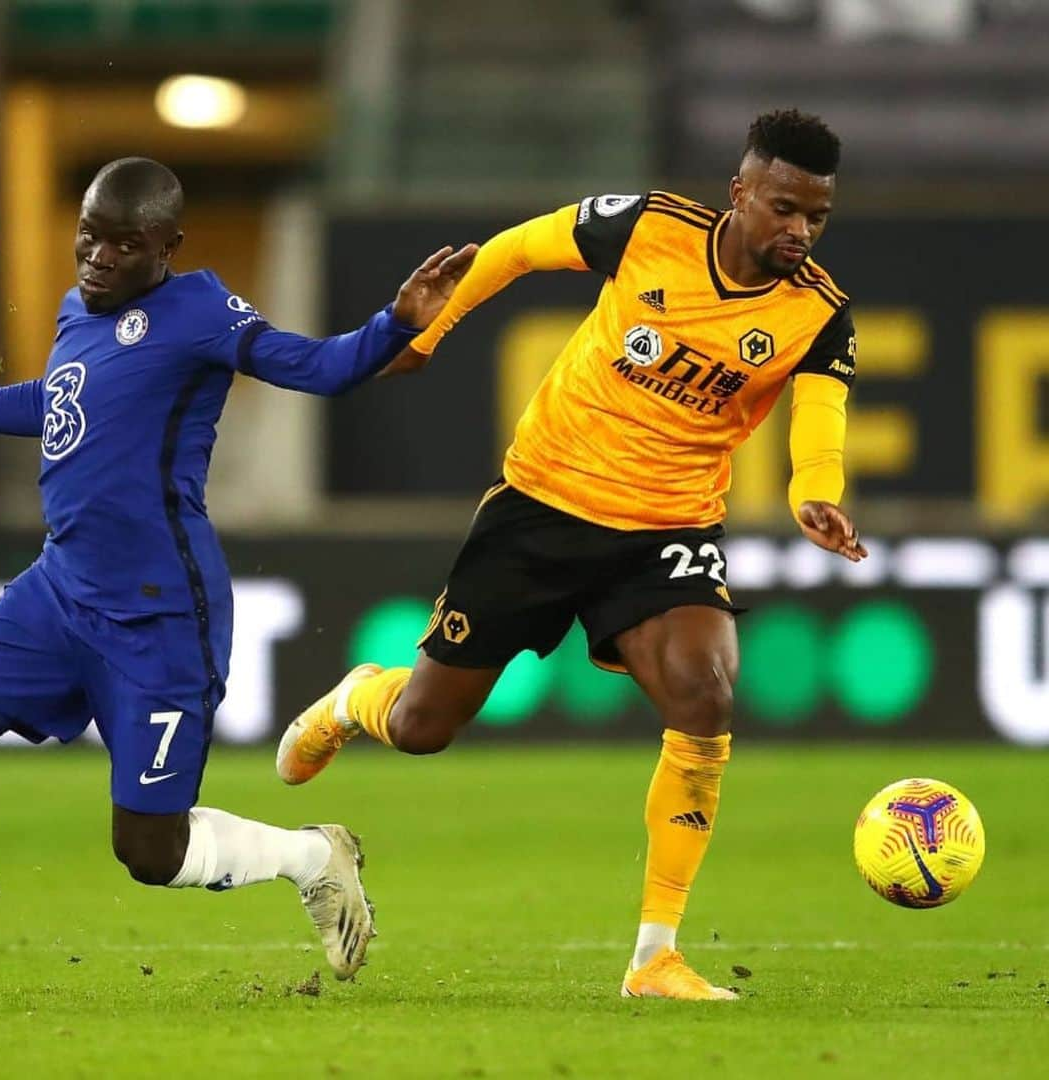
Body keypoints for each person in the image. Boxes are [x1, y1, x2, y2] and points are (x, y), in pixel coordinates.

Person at [277, 108, 867, 999]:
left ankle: (655, 956)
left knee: (706, 692)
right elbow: (515, 250)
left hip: (667, 528)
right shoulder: (650, 227)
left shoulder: (817, 312)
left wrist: (813, 496)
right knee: (424, 728)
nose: (799, 231)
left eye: (816, 217)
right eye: (785, 208)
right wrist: (425, 335)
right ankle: (360, 697)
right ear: (740, 193)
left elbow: (820, 425)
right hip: (542, 506)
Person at [0, 157, 476, 981]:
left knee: (149, 851)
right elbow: (58, 402)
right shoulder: (79, 311)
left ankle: (312, 858)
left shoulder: (199, 310)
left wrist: (394, 323)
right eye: (88, 237)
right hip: (57, 594)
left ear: (168, 244)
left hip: (159, 619)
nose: (97, 258)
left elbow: (320, 367)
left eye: (123, 245)